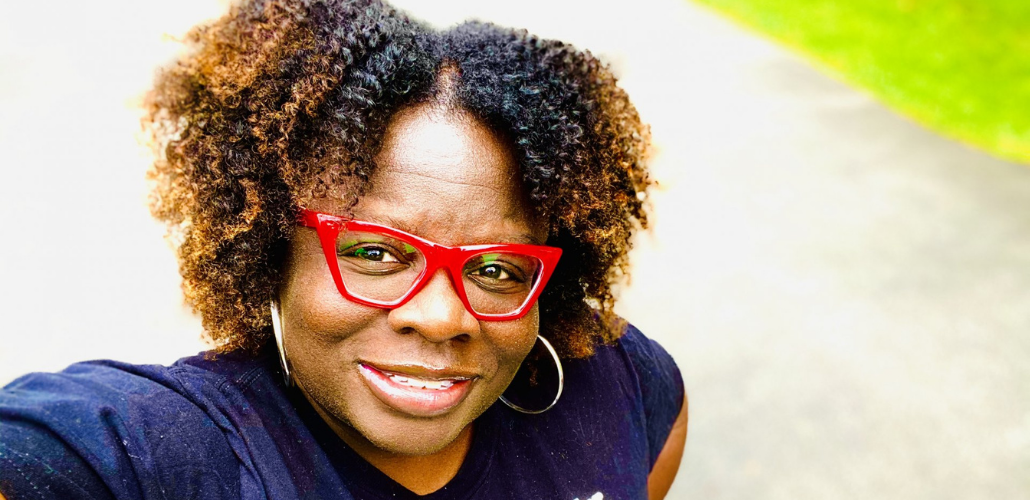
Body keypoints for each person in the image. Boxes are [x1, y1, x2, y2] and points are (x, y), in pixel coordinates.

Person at [0, 0, 687, 498]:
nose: (444, 317)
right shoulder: (169, 451)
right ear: (270, 251)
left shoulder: (619, 383)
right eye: (377, 254)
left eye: (496, 268)